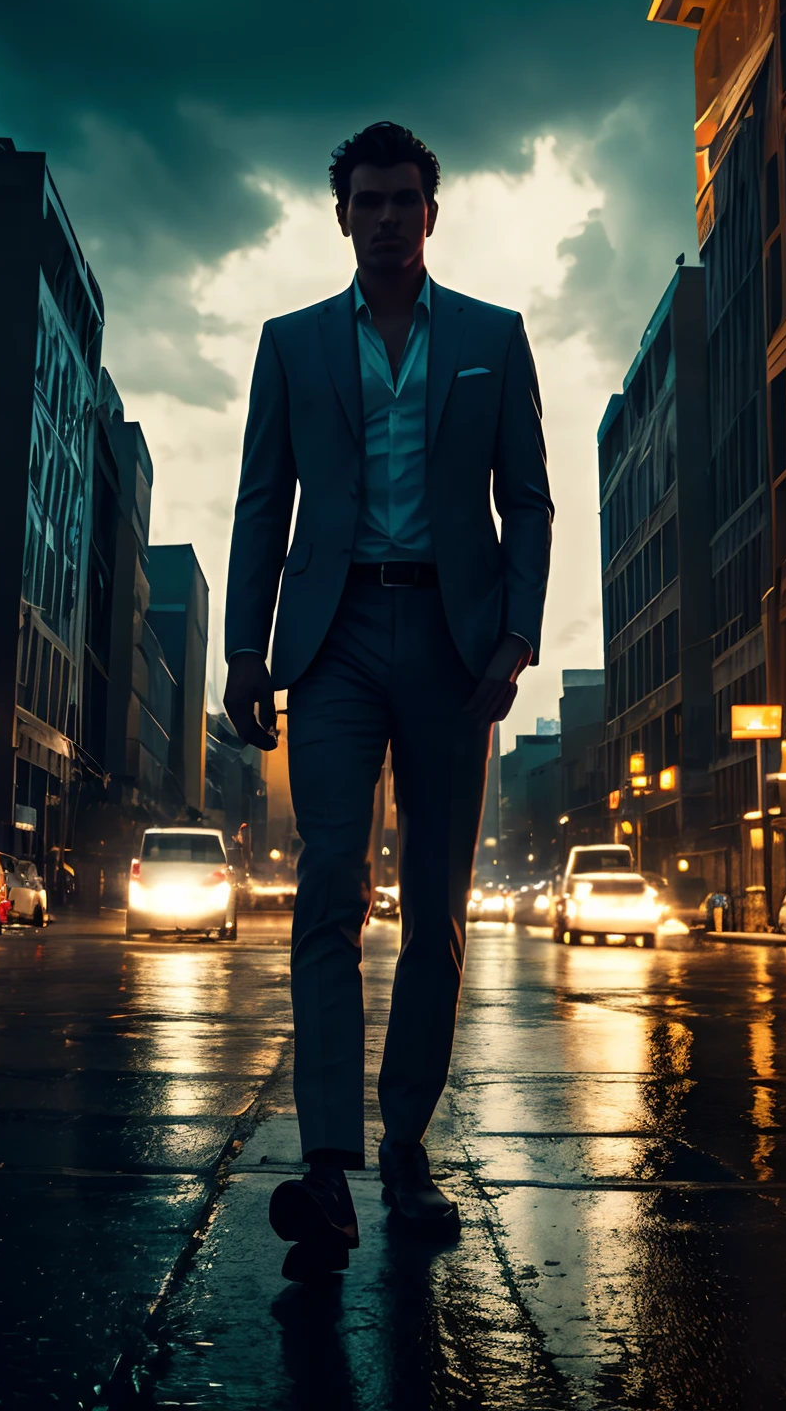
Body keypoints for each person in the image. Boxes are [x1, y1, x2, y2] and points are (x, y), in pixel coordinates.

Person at [223, 122, 552, 1282]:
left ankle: (405, 1146)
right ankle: (326, 1167)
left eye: (406, 199)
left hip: (458, 646)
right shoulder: (294, 344)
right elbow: (263, 501)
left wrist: (516, 639)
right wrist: (242, 651)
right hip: (336, 640)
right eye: (368, 201)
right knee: (328, 887)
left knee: (438, 909)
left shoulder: (493, 340)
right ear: (343, 215)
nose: (388, 217)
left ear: (432, 209)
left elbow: (532, 502)